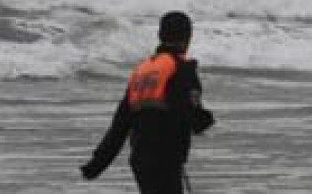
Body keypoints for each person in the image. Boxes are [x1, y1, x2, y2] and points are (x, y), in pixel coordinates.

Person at [80, 11, 214, 193]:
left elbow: (120, 125)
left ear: (160, 35)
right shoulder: (182, 69)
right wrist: (205, 119)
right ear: (189, 37)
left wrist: (96, 164)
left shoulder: (142, 71)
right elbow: (189, 115)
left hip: (140, 161)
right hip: (166, 159)